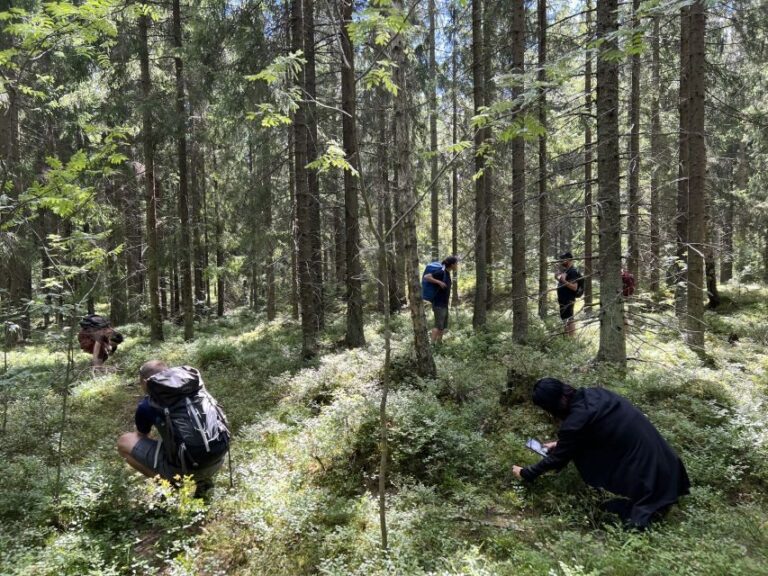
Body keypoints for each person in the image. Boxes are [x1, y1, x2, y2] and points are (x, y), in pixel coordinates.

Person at [512, 378, 690, 529]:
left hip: (646, 468)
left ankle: (654, 505)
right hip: (666, 460)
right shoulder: (596, 394)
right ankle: (659, 496)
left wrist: (526, 473)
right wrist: (561, 444)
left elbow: (558, 459)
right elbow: (598, 431)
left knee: (630, 521)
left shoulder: (575, 423)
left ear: (550, 407)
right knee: (585, 451)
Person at [117, 361, 230, 500]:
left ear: (146, 382)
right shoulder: (196, 389)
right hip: (218, 459)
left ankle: (171, 484)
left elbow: (142, 435)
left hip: (186, 468)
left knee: (124, 442)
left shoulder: (147, 404)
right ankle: (204, 483)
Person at [422, 255, 459, 344]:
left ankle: (439, 343)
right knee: (438, 326)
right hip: (438, 304)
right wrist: (439, 282)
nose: (457, 266)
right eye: (456, 264)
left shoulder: (447, 272)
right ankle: (432, 345)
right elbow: (426, 277)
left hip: (444, 304)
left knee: (442, 326)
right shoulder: (441, 272)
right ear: (452, 264)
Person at [555, 252, 580, 337]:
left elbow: (574, 287)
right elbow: (564, 283)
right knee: (565, 318)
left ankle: (571, 339)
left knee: (570, 318)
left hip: (568, 299)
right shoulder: (567, 271)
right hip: (563, 299)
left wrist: (564, 280)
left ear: (569, 260)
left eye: (563, 260)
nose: (561, 262)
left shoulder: (573, 271)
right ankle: (567, 339)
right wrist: (558, 278)